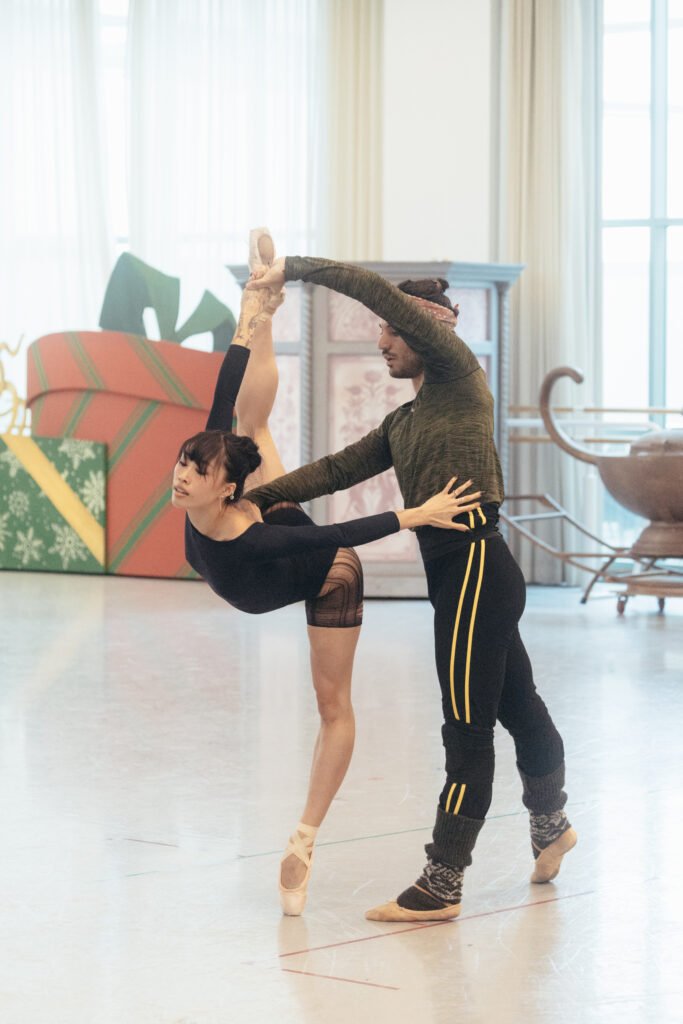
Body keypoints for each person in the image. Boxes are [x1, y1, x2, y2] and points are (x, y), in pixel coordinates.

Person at [246, 256, 577, 922]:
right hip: (468, 576)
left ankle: (442, 883)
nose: (381, 341)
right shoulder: (406, 422)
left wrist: (291, 269)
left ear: (425, 333)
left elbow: (376, 292)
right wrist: (251, 499)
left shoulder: (458, 377)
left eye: (391, 331)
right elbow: (335, 471)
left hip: (475, 570)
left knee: (467, 729)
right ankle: (552, 826)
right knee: (518, 705)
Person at [171, 233, 482, 916]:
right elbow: (226, 393)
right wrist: (252, 313)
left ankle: (304, 842)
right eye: (183, 467)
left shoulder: (250, 530)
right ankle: (267, 300)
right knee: (244, 424)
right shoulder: (209, 484)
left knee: (332, 704)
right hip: (267, 542)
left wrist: (414, 514)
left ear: (225, 490)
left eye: (195, 471)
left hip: (321, 568)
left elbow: (338, 536)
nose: (182, 476)